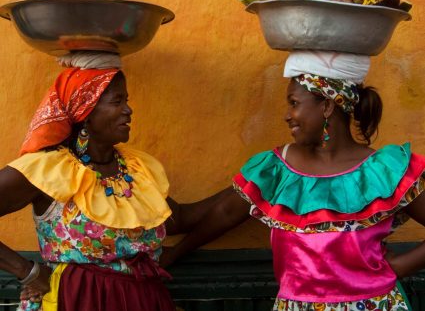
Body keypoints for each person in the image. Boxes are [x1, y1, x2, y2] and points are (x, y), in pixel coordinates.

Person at [164, 51, 425, 311]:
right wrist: (175, 253)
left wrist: (401, 266)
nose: (287, 115)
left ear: (327, 105)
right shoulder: (279, 168)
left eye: (294, 103)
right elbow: (225, 211)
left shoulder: (384, 171)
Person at [0, 52, 231, 311]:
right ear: (85, 112)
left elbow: (177, 219)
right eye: (117, 101)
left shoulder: (135, 169)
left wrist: (247, 190)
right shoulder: (48, 169)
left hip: (143, 300)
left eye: (127, 100)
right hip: (78, 300)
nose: (128, 110)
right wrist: (27, 271)